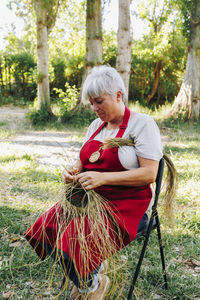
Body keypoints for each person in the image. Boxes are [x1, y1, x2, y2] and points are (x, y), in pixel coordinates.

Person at [25, 65, 163, 299]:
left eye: (99, 101)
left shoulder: (142, 124)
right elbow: (83, 161)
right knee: (44, 229)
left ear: (118, 95)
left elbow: (149, 174)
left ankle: (92, 285)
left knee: (72, 243)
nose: (94, 108)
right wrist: (72, 171)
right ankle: (93, 271)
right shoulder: (95, 126)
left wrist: (103, 178)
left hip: (128, 205)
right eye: (91, 103)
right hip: (91, 200)